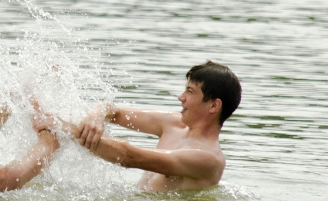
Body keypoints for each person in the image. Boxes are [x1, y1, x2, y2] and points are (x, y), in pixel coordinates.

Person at [40, 61, 242, 192]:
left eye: (190, 92)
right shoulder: (172, 123)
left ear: (214, 105)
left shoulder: (208, 158)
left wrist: (63, 127)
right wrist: (96, 116)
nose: (181, 98)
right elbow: (114, 110)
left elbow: (129, 157)